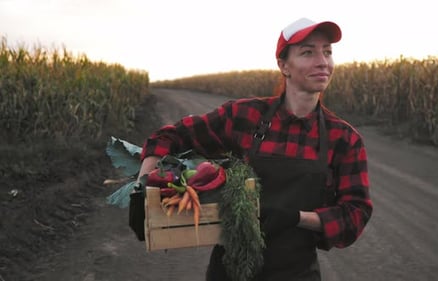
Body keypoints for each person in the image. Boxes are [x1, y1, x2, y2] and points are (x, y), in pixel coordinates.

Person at [137, 17, 373, 281]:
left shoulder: (343, 138)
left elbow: (355, 213)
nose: (322, 61)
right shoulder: (245, 116)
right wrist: (143, 184)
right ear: (284, 66)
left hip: (297, 273)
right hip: (230, 271)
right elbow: (171, 136)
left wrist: (296, 217)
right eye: (308, 52)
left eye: (327, 52)